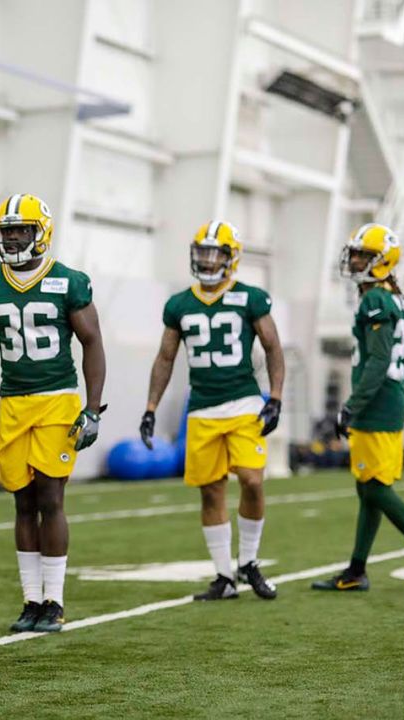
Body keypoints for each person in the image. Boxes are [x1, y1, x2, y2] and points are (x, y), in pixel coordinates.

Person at [0, 194, 106, 633]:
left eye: (21, 229)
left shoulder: (69, 280)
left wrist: (92, 408)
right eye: (7, 231)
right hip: (13, 402)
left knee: (50, 498)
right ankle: (31, 601)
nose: (14, 237)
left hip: (58, 399)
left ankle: (54, 602)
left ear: (41, 232)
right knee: (21, 500)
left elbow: (92, 343)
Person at [141, 221, 284, 601]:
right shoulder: (179, 304)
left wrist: (276, 397)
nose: (206, 260)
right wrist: (151, 407)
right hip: (202, 408)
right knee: (210, 491)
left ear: (231, 257)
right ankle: (224, 576)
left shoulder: (250, 297)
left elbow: (273, 348)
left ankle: (249, 561)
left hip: (244, 403)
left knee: (252, 480)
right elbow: (166, 357)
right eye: (201, 252)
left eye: (214, 253)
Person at [312, 224, 404, 591]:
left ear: (383, 261)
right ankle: (357, 570)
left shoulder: (376, 300)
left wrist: (352, 405)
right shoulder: (396, 298)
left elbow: (379, 360)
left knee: (375, 488)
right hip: (389, 398)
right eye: (354, 254)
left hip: (378, 403)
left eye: (363, 256)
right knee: (366, 487)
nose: (355, 261)